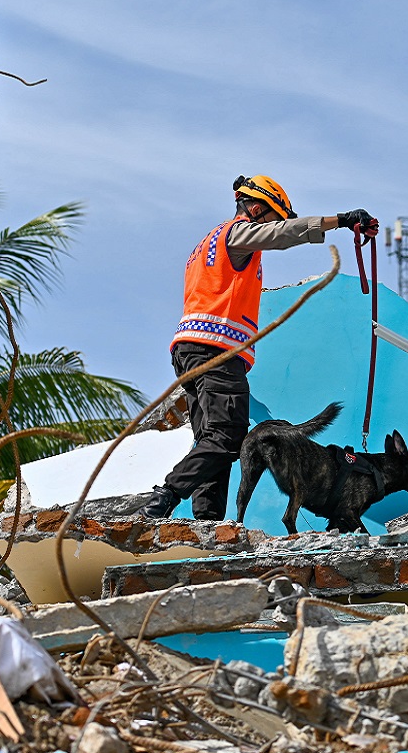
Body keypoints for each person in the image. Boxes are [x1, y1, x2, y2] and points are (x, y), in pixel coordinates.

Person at [140, 174, 378, 520]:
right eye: (272, 218)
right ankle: (165, 495)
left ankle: (207, 523)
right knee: (228, 437)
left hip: (191, 351)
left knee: (212, 440)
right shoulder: (236, 234)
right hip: (217, 351)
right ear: (254, 208)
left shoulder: (209, 245)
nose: (275, 227)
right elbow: (283, 235)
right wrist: (341, 221)